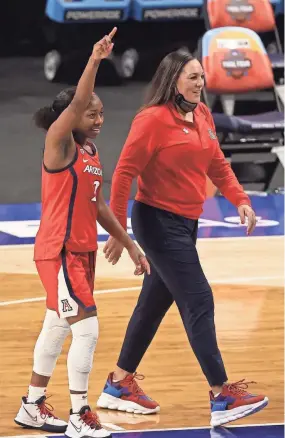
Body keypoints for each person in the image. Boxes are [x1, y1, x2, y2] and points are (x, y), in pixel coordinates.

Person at [96, 50, 269, 427]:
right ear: (172, 78)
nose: (200, 83)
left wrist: (240, 199)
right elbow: (124, 173)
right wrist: (118, 231)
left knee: (155, 302)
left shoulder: (202, 113)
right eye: (192, 77)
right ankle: (221, 394)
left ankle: (120, 383)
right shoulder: (152, 120)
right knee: (199, 298)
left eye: (202, 77)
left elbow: (217, 164)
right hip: (156, 223)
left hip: (185, 224)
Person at [14, 28, 150, 438]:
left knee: (56, 325)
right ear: (71, 117)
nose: (98, 120)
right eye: (91, 114)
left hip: (80, 251)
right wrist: (95, 60)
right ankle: (79, 415)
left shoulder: (89, 154)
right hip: (60, 251)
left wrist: (128, 242)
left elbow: (97, 205)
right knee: (86, 330)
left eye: (101, 113)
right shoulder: (59, 143)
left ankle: (33, 407)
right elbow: (76, 103)